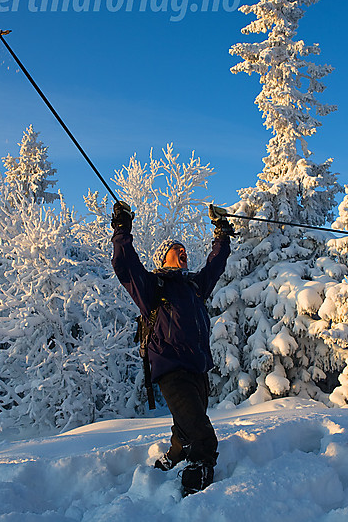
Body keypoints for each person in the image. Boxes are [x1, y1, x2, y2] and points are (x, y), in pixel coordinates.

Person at [110, 200, 233, 496]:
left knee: (185, 424)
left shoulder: (194, 286)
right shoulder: (153, 286)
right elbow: (125, 265)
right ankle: (200, 465)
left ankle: (175, 454)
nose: (183, 252)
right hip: (171, 368)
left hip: (198, 369)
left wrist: (222, 233)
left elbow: (215, 266)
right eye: (176, 249)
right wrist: (122, 229)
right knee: (200, 428)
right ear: (163, 258)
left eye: (185, 250)